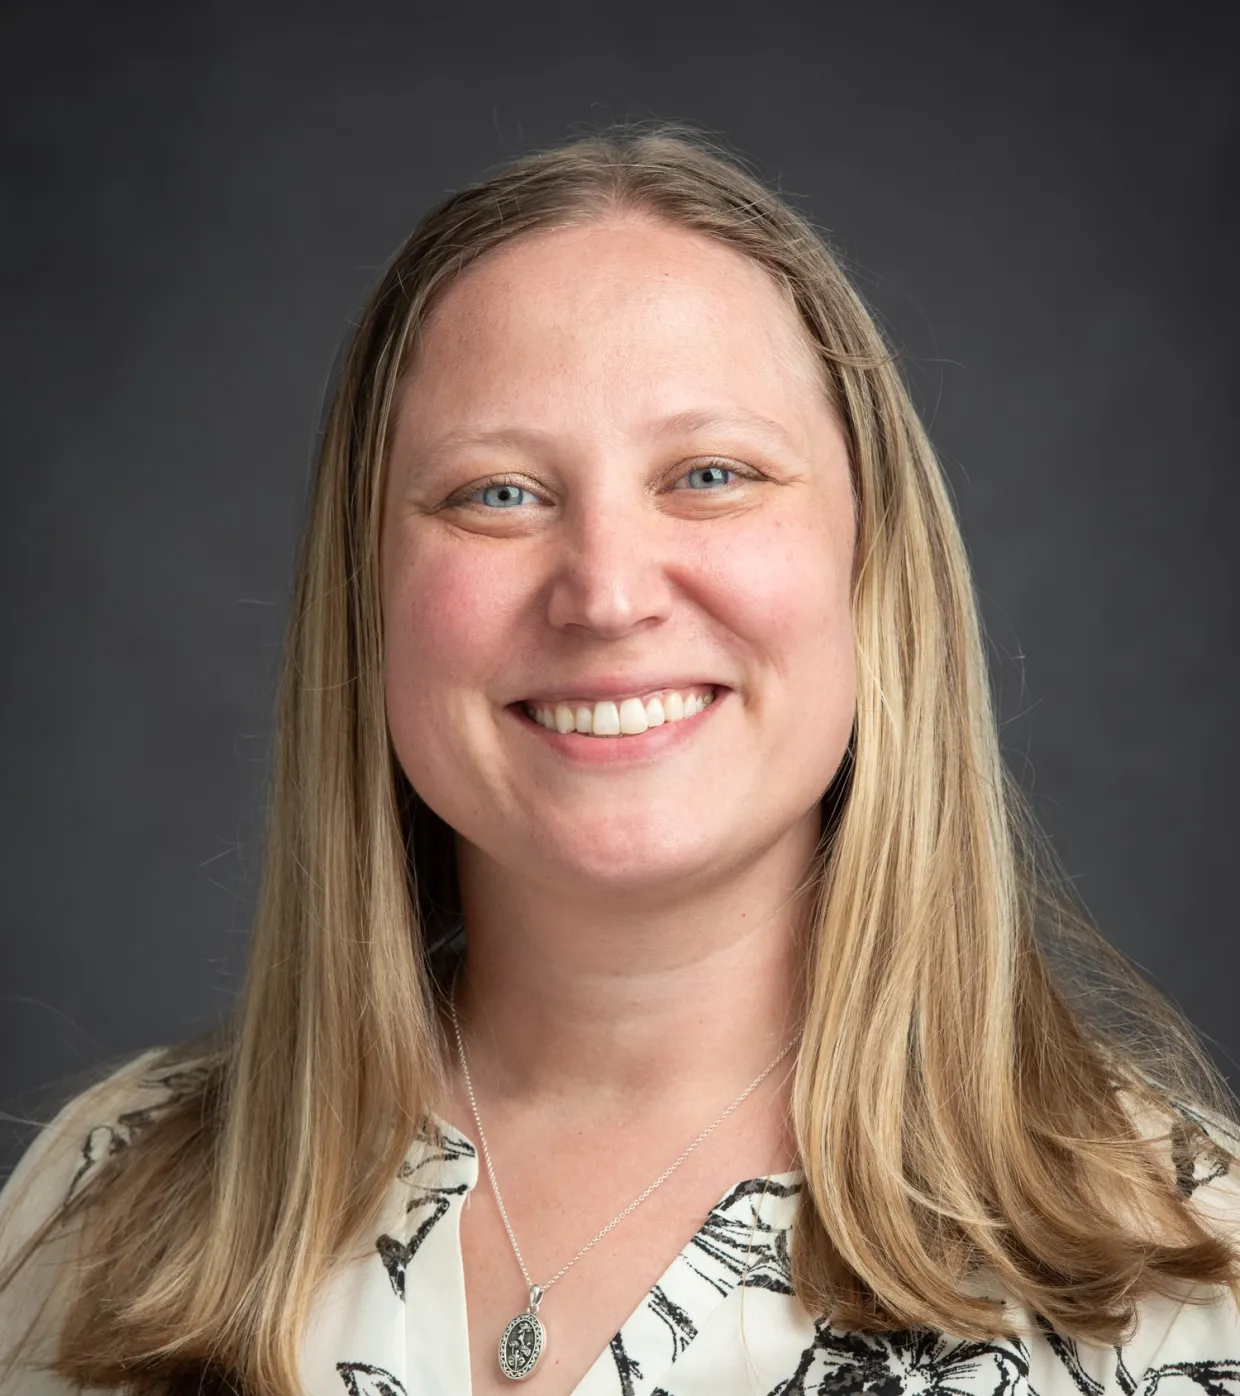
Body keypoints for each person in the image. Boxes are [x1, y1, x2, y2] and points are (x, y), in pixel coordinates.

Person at [1, 127, 1238, 1396]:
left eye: (710, 474)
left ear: (873, 568)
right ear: (366, 594)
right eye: (496, 493)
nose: (604, 593)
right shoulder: (97, 1215)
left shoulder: (1190, 1274)